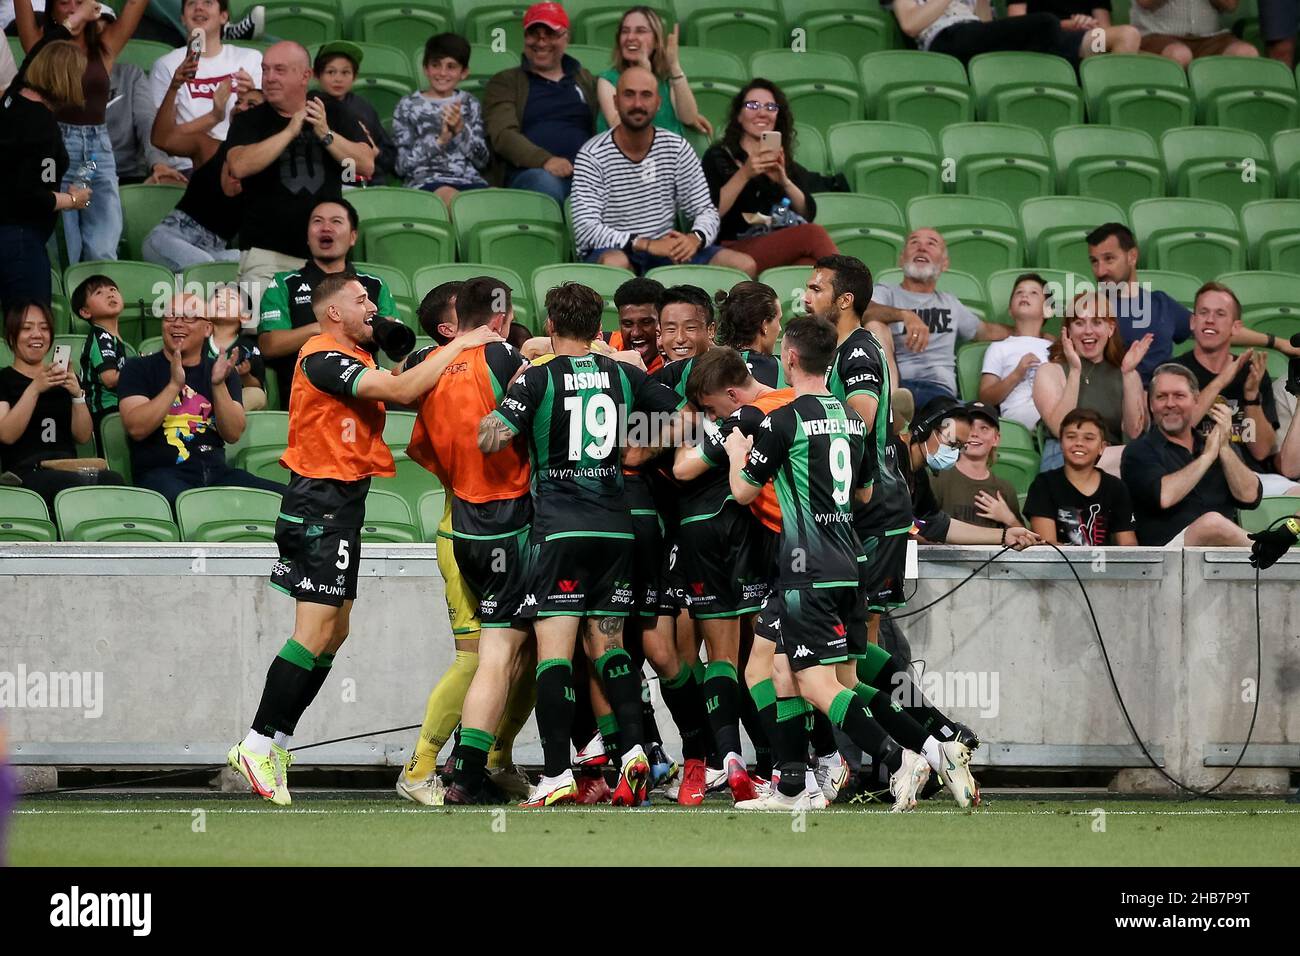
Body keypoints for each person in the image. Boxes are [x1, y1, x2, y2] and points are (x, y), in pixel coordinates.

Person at [226, 273, 502, 806]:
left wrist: (431, 357)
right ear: (333, 312)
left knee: (336, 631)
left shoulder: (357, 358)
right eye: (360, 300)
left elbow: (402, 385)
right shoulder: (322, 357)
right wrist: (464, 343)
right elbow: (402, 391)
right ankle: (257, 743)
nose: (372, 306)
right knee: (314, 630)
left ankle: (276, 741)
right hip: (318, 503)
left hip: (343, 504)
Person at [478, 281, 685, 808]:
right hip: (616, 528)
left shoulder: (539, 377)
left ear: (550, 326)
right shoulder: (624, 373)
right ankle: (635, 752)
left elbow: (492, 437)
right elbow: (686, 416)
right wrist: (635, 453)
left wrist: (505, 406)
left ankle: (554, 774)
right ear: (599, 328)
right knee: (609, 647)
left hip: (561, 527)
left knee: (556, 654)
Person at [723, 316, 936, 812]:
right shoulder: (851, 419)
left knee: (814, 681)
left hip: (807, 565)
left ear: (789, 359)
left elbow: (742, 490)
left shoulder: (783, 420)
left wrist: (737, 452)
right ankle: (793, 786)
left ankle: (899, 757)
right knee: (781, 669)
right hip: (849, 560)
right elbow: (863, 491)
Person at [401, 277, 535, 806]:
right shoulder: (502, 360)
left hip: (460, 517)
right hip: (501, 523)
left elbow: (426, 449)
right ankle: (420, 768)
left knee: (517, 652)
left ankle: (495, 759)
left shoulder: (431, 371)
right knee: (482, 657)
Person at [225, 40, 374, 313]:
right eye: (265, 70)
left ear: (305, 75)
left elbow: (365, 165)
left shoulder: (333, 113)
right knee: (265, 340)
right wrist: (289, 132)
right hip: (267, 257)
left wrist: (326, 134)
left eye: (279, 70)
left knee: (329, 342)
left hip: (326, 263)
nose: (269, 78)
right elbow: (239, 166)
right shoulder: (250, 120)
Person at [570, 66, 756, 278]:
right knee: (616, 263)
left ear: (658, 103)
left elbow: (705, 209)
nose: (638, 104)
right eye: (629, 95)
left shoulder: (677, 147)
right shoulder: (592, 154)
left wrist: (694, 239)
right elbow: (586, 228)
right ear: (615, 102)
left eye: (646, 95)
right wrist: (645, 244)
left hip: (666, 249)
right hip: (615, 250)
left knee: (743, 265)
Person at [13, 0, 150, 263]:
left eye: (80, 2)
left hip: (96, 154)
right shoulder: (40, 45)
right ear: (51, 10)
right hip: (55, 152)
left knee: (102, 246)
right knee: (66, 251)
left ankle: (98, 301)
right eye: (65, 3)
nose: (74, 9)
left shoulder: (105, 45)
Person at [116, 292, 283, 504]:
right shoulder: (138, 368)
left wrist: (218, 385)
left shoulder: (221, 371)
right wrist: (174, 385)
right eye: (170, 317)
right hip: (164, 474)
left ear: (207, 328)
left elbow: (232, 433)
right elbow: (136, 428)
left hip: (217, 474)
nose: (177, 324)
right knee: (189, 503)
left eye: (188, 318)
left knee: (285, 499)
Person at [1085, 223, 1297, 384]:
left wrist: (1277, 342)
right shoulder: (1089, 311)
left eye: (1109, 259)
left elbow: (1215, 330)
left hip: (1166, 404)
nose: (1100, 271)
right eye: (1094, 261)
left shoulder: (1160, 304)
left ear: (1132, 256)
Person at [256, 198, 400, 404]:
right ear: (307, 236)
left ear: (353, 237)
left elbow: (395, 345)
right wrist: (324, 327)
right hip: (307, 397)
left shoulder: (374, 284)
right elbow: (268, 346)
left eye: (336, 221)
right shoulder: (285, 283)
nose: (326, 227)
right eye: (317, 221)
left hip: (368, 393)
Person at [1171, 282, 1299, 497]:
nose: (1210, 319)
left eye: (1220, 314)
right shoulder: (1174, 373)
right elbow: (1176, 430)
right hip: (1190, 474)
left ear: (1236, 327)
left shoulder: (1253, 374)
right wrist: (1220, 382)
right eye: (1203, 312)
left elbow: (1261, 452)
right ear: (1193, 322)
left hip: (1250, 476)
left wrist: (1251, 399)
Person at [700, 80, 839, 275]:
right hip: (733, 247)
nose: (762, 112)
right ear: (739, 115)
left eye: (770, 107)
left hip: (775, 241)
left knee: (807, 264)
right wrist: (745, 173)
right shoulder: (718, 156)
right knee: (813, 234)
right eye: (752, 105)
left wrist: (784, 181)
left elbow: (808, 212)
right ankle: (855, 294)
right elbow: (710, 211)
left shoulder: (781, 159)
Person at [865, 228, 1010, 408]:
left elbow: (986, 331)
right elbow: (863, 311)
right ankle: (894, 407)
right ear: (901, 259)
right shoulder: (886, 292)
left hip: (939, 392)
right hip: (897, 386)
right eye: (914, 242)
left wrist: (1036, 334)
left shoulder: (949, 303)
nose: (922, 248)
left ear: (944, 264)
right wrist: (904, 315)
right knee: (874, 323)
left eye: (931, 244)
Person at [1121, 364, 1262, 546]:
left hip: (1221, 558)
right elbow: (1164, 497)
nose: (1170, 404)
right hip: (1167, 559)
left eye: (1179, 396)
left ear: (1196, 400)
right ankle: (1275, 559)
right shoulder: (1138, 451)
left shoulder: (1217, 444)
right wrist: (1207, 457)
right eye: (1161, 397)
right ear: (1151, 404)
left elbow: (1250, 497)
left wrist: (1224, 449)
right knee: (1211, 524)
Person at [0, 299, 124, 505]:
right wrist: (34, 389)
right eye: (26, 328)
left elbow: (83, 436)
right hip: (25, 471)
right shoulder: (4, 379)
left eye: (44, 328)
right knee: (61, 485)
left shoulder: (64, 377)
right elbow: (6, 434)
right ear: (11, 336)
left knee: (114, 480)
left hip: (68, 467)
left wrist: (77, 394)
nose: (37, 335)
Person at [0, 38, 89, 310]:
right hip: (21, 242)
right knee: (31, 325)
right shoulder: (43, 127)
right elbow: (34, 196)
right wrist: (74, 200)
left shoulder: (11, 99)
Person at [141, 63, 254, 272]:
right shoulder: (209, 147)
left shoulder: (265, 167)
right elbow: (161, 138)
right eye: (238, 102)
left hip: (214, 250)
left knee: (254, 264)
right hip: (170, 238)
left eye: (252, 105)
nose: (241, 107)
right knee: (204, 267)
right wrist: (176, 86)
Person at [483, 2, 596, 204]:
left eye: (550, 34)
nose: (541, 43)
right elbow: (503, 134)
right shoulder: (505, 81)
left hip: (587, 175)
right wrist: (545, 160)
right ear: (525, 38)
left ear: (566, 37)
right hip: (532, 173)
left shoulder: (585, 79)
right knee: (544, 183)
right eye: (534, 34)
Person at [1033, 290, 1150, 474]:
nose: (1088, 330)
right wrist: (1075, 371)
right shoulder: (1050, 371)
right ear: (1069, 331)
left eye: (1097, 322)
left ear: (1110, 329)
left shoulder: (1127, 373)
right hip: (1063, 459)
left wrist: (1128, 375)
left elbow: (1133, 433)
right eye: (1079, 323)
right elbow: (1060, 429)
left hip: (1112, 461)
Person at [147, 0, 261, 175]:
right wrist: (213, 117)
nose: (199, 7)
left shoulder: (250, 59)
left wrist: (253, 98)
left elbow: (265, 123)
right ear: (182, 19)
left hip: (241, 160)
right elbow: (165, 137)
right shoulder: (167, 65)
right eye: (192, 3)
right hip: (189, 166)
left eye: (208, 2)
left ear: (224, 16)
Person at [391, 32, 489, 204]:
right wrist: (440, 141)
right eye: (436, 65)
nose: (442, 73)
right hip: (427, 182)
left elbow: (482, 161)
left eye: (451, 67)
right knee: (452, 197)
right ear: (426, 68)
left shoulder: (470, 103)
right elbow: (401, 166)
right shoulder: (408, 105)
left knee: (499, 198)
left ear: (464, 72)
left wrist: (460, 132)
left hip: (470, 181)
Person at [1024, 407, 1138, 546]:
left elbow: (1128, 545)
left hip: (1105, 567)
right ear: (1061, 443)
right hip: (1058, 566)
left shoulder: (1116, 488)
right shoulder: (1043, 485)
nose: (1079, 443)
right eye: (1071, 437)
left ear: (1102, 447)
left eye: (1089, 438)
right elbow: (1047, 547)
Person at [595, 6, 709, 137]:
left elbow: (688, 117)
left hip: (669, 153)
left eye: (640, 31)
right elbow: (622, 126)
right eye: (625, 31)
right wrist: (643, 75)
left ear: (656, 41)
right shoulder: (608, 80)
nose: (630, 37)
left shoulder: (665, 77)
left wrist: (674, 66)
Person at [311, 40, 395, 186]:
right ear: (317, 75)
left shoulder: (364, 108)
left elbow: (389, 158)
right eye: (330, 72)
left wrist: (375, 152)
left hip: (370, 184)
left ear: (354, 77)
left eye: (345, 72)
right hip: (331, 185)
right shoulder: (313, 107)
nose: (338, 78)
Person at [931, 402, 1027, 530]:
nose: (975, 433)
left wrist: (1009, 519)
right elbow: (918, 532)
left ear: (996, 439)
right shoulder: (937, 479)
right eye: (970, 427)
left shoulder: (1005, 489)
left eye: (984, 428)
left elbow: (1024, 540)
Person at [978, 272, 1054, 429]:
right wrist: (1017, 375)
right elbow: (985, 398)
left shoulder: (1056, 347)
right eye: (1019, 292)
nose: (1025, 295)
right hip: (1018, 425)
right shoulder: (999, 348)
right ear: (1010, 310)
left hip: (1053, 420)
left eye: (1034, 293)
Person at [890, 0, 1073, 63]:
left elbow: (984, 26)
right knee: (1046, 23)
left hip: (973, 33)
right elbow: (910, 24)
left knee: (1048, 31)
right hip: (944, 37)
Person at [70, 273, 126, 449]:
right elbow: (109, 379)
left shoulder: (113, 337)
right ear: (85, 312)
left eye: (113, 289)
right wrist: (141, 369)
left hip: (117, 409)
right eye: (99, 293)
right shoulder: (100, 336)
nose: (110, 294)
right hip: (106, 413)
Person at [106, 60, 183, 185]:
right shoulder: (69, 74)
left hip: (129, 174)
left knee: (167, 181)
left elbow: (146, 121)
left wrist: (159, 163)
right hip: (87, 170)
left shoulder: (131, 74)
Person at [1132, 0, 1260, 65]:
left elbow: (1231, 4)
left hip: (1210, 38)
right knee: (1179, 55)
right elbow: (1145, 1)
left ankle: (1226, 114)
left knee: (1246, 54)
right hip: (1157, 34)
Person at [1005, 0, 1141, 58]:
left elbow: (1104, 26)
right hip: (1045, 40)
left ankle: (1105, 106)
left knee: (1127, 35)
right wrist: (1066, 24)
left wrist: (1090, 24)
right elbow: (1018, 24)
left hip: (1085, 40)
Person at [206, 285, 265, 410]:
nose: (222, 300)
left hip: (233, 401)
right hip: (199, 396)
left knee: (257, 395)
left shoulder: (248, 348)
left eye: (231, 298)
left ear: (245, 316)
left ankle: (220, 417)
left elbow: (258, 386)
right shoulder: (196, 341)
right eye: (217, 297)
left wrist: (245, 375)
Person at [716, 280, 783, 387]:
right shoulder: (785, 369)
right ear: (764, 325)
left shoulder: (709, 364)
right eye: (778, 320)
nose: (779, 328)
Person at [605, 276, 664, 372]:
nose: (636, 333)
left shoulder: (676, 356)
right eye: (627, 324)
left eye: (646, 322)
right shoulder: (607, 343)